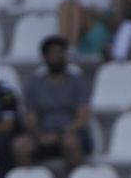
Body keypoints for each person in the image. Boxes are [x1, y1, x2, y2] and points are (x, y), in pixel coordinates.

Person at [14, 36, 92, 170]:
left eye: (60, 53)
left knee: (70, 143)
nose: (57, 57)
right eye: (53, 53)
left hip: (70, 132)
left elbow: (82, 117)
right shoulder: (34, 83)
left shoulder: (77, 81)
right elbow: (31, 117)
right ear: (45, 57)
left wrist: (58, 134)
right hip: (42, 134)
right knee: (20, 146)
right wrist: (40, 135)